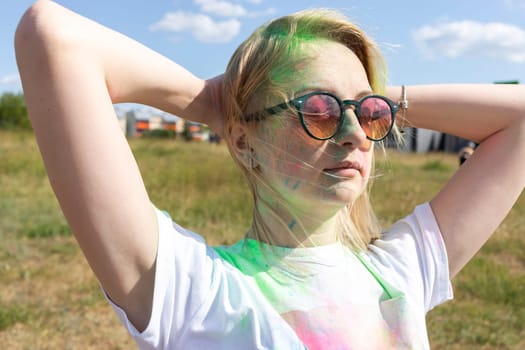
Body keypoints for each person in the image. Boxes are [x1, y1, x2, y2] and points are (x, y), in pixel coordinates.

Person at [15, 1, 524, 349]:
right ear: (242, 140)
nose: (352, 133)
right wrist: (213, 99)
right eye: (319, 109)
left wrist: (378, 99)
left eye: (367, 115)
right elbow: (53, 36)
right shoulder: (193, 291)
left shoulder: (400, 273)